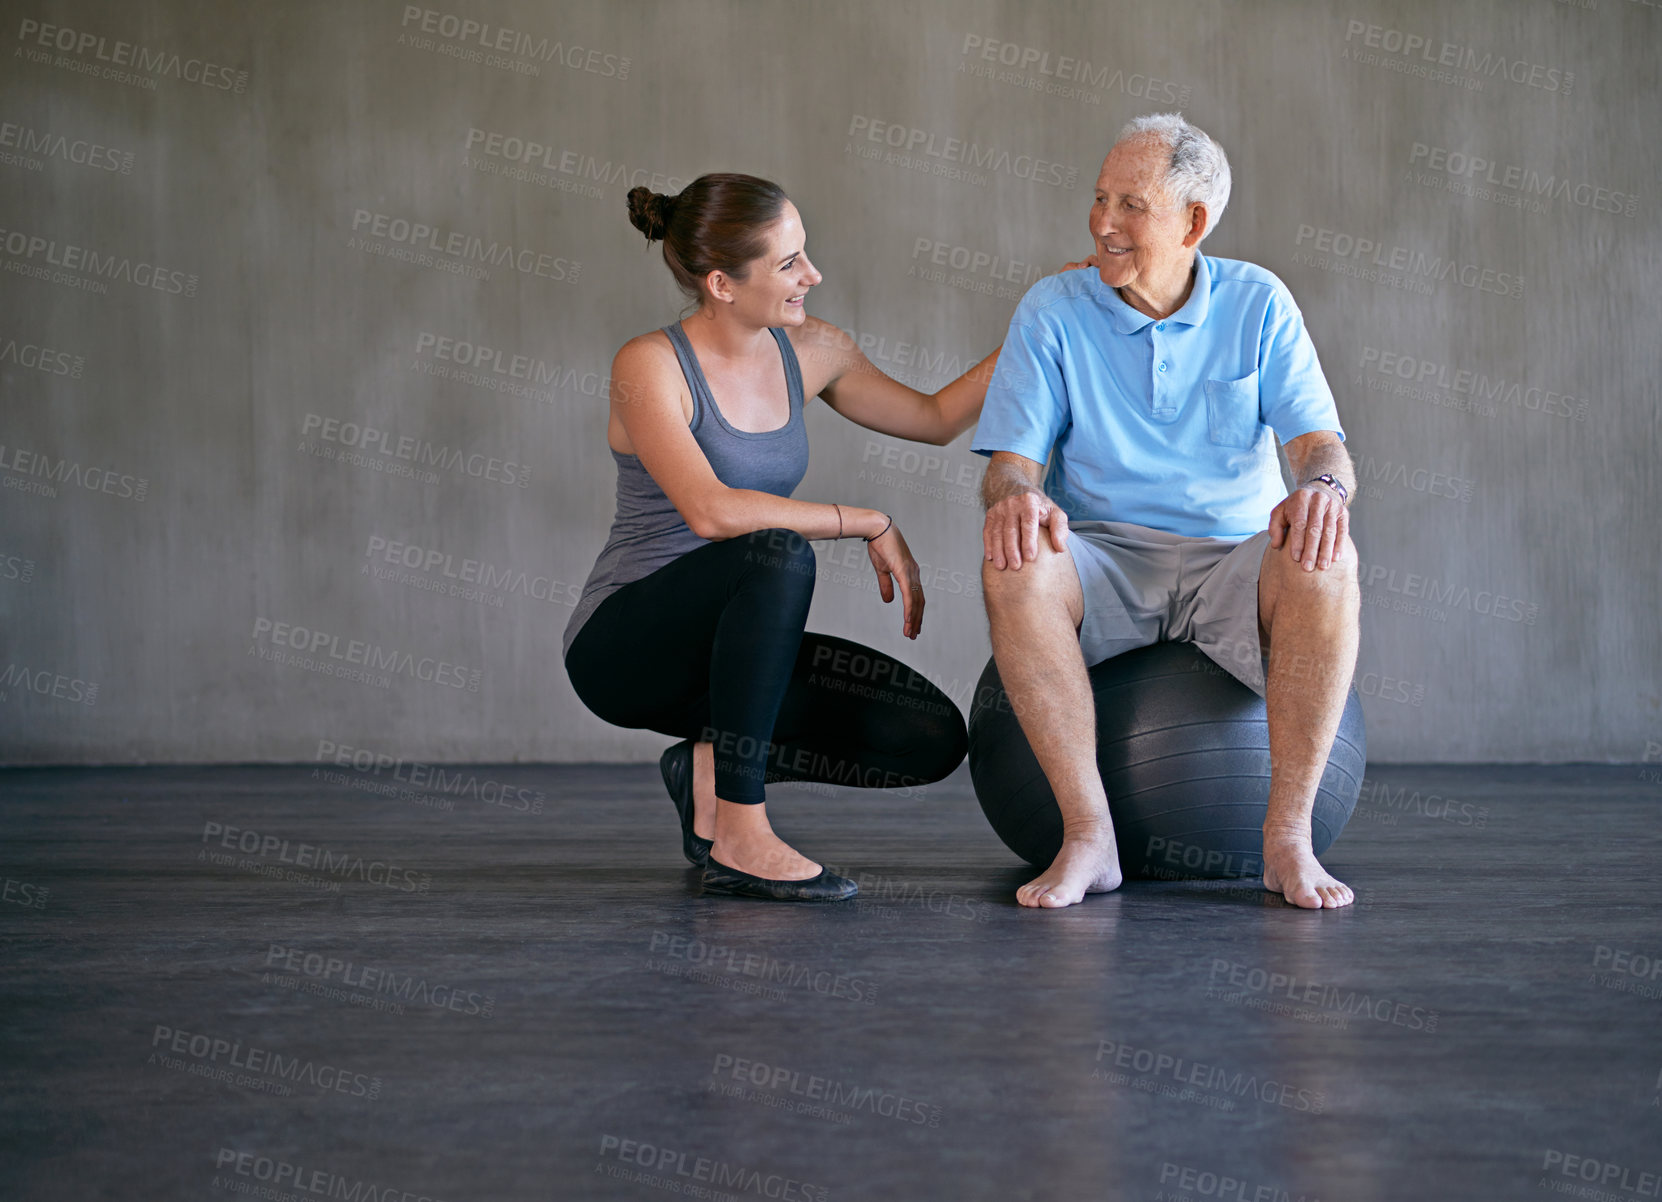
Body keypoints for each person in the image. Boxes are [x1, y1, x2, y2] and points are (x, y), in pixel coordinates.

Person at [563, 173, 1004, 901]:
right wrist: (865, 520)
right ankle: (740, 830)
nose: (813, 275)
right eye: (788, 263)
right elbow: (710, 512)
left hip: (735, 648)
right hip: (626, 647)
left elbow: (934, 417)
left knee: (929, 737)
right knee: (775, 549)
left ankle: (708, 762)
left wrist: (1045, 320)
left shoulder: (812, 351)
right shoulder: (650, 366)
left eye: (806, 252)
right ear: (722, 284)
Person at [972, 113, 1361, 911]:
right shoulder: (1053, 309)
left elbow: (1320, 447)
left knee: (1328, 557)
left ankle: (1288, 839)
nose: (1102, 224)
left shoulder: (1259, 303)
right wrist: (1015, 499)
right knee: (1015, 559)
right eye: (1099, 198)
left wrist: (1323, 491)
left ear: (1193, 221)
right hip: (1105, 559)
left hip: (1232, 564)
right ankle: (1088, 836)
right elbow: (1011, 466)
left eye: (1130, 205)